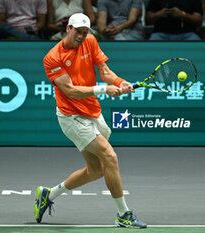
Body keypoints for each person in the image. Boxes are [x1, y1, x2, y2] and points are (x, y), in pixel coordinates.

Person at [36, 13, 147, 228]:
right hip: (72, 117)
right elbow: (69, 90)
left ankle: (48, 195)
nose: (81, 36)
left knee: (95, 170)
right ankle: (124, 214)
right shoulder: (53, 57)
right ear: (68, 29)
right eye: (77, 31)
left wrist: (120, 82)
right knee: (110, 157)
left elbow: (104, 71)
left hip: (93, 112)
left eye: (85, 32)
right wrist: (104, 89)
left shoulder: (90, 41)